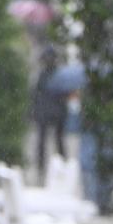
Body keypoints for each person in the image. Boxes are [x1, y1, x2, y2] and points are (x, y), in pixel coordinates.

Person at [32, 46, 69, 178]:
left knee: (57, 140)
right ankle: (42, 166)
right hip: (47, 112)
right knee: (44, 141)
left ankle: (60, 165)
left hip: (55, 112)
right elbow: (37, 95)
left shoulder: (57, 76)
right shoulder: (44, 76)